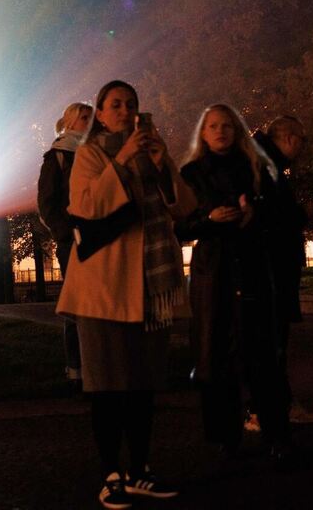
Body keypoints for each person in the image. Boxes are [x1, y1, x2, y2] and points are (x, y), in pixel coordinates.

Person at [55, 80, 196, 509]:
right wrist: (122, 160)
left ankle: (139, 470)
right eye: (114, 104)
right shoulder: (91, 154)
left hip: (150, 288)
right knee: (107, 386)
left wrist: (163, 162)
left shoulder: (154, 153)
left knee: (142, 386)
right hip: (105, 287)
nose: (123, 110)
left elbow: (185, 207)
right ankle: (110, 473)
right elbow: (86, 206)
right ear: (99, 113)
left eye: (130, 104)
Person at [177, 103, 294, 461]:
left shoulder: (257, 167)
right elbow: (180, 225)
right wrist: (209, 219)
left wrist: (254, 213)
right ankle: (225, 437)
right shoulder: (191, 173)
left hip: (252, 265)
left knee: (262, 351)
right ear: (203, 132)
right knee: (216, 354)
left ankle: (276, 432)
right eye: (213, 125)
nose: (220, 131)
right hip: (213, 272)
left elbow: (285, 211)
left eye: (227, 125)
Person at [253, 115, 313, 424]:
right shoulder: (268, 167)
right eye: (302, 141)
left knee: (268, 342)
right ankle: (272, 409)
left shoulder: (262, 160)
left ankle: (267, 407)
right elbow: (275, 217)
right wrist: (300, 214)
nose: (302, 148)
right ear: (291, 138)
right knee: (272, 343)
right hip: (272, 270)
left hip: (267, 268)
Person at [37, 101, 93, 382]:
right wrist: (65, 232)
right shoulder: (57, 156)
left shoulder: (96, 152)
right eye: (84, 117)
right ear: (70, 123)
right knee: (76, 305)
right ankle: (75, 367)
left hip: (97, 238)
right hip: (72, 240)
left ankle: (95, 364)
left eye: (90, 117)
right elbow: (46, 203)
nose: (88, 122)